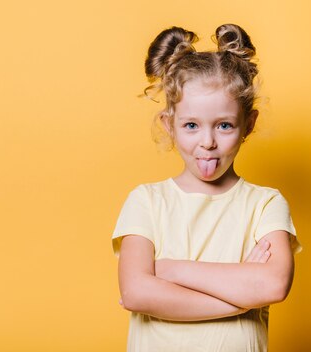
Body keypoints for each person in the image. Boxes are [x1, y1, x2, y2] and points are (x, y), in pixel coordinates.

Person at [112, 24, 301, 352]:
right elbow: (137, 292)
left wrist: (169, 270)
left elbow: (272, 284)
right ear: (169, 125)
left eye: (224, 125)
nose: (208, 142)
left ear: (248, 124)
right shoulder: (145, 201)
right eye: (191, 126)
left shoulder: (265, 204)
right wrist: (239, 301)